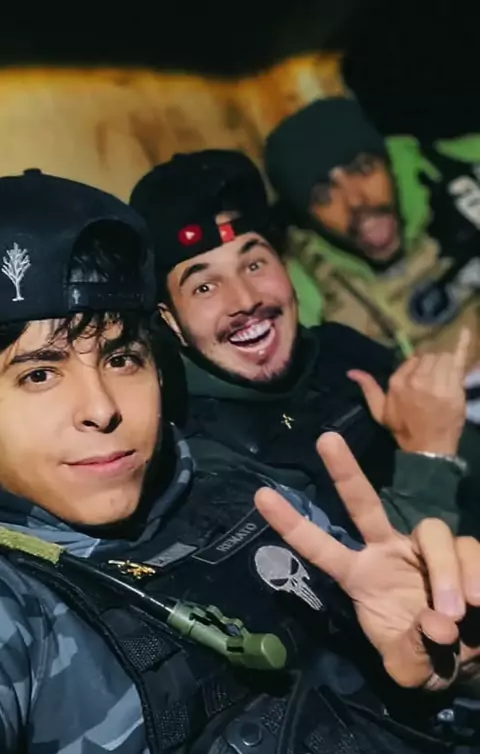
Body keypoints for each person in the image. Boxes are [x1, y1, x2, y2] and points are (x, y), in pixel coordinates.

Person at [0, 167, 478, 754]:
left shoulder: (242, 496)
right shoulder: (20, 614)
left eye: (121, 358)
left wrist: (432, 673)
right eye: (39, 374)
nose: (101, 407)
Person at [130, 149, 480, 538]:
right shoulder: (200, 461)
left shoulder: (341, 351)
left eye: (254, 264)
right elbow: (370, 574)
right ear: (170, 321)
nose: (246, 300)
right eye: (205, 287)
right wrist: (427, 457)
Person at [264, 96, 480, 422]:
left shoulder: (455, 172)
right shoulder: (303, 286)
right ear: (306, 217)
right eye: (323, 194)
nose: (355, 201)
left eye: (363, 168)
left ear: (387, 161)